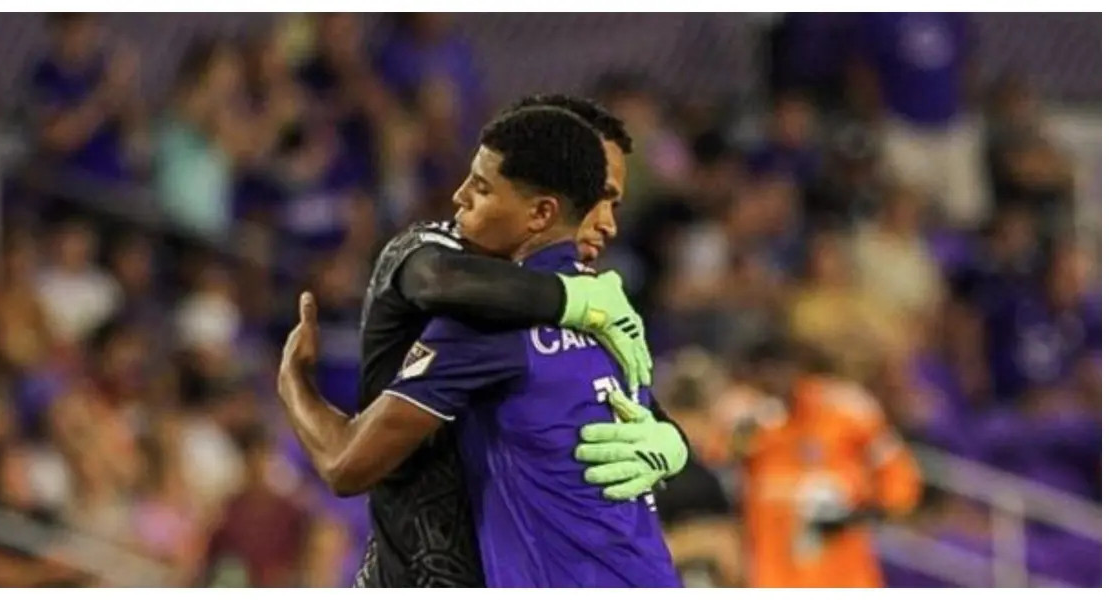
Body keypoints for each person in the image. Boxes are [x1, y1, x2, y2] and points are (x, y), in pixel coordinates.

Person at [278, 107, 684, 587]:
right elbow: (434, 276)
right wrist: (567, 298)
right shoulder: (594, 308)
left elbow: (345, 465)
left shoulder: (584, 315)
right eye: (600, 198)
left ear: (545, 208)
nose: (608, 223)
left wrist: (292, 381)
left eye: (610, 199)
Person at [711, 338, 922, 587]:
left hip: (845, 576)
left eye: (779, 370)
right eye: (763, 375)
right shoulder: (744, 419)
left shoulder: (845, 409)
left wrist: (863, 513)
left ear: (798, 368)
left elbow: (898, 474)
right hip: (772, 575)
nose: (774, 381)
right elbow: (713, 468)